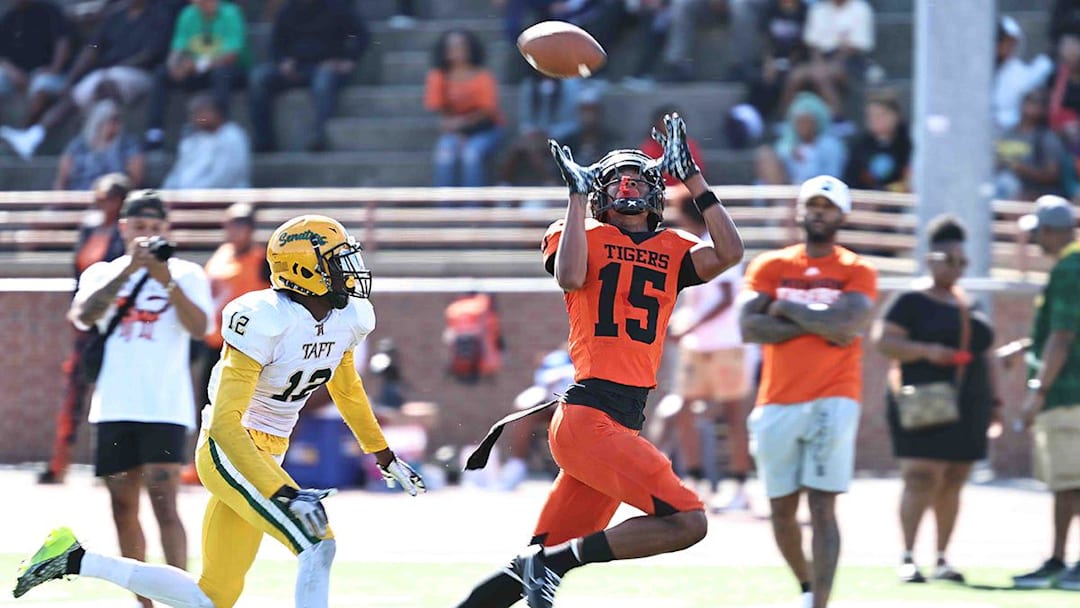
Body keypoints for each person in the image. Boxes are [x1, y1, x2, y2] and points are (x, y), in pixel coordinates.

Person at [14, 214, 427, 608]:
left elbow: (347, 387)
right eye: (335, 263)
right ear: (304, 271)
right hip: (229, 449)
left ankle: (73, 558)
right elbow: (228, 424)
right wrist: (284, 491)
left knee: (211, 597)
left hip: (268, 451)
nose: (348, 271)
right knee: (318, 545)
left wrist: (384, 455)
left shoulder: (347, 318)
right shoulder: (265, 318)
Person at [453, 113, 743, 608]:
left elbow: (731, 252)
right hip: (590, 417)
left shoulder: (674, 249)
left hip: (619, 423)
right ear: (599, 193)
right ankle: (554, 565)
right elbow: (568, 277)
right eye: (616, 181)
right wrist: (574, 198)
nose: (627, 188)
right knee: (688, 521)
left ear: (654, 194)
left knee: (527, 563)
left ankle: (542, 565)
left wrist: (692, 176)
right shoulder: (579, 230)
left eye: (638, 180)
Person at [44, 190, 213, 607]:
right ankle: (143, 601)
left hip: (165, 405)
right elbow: (82, 315)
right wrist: (131, 272)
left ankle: (182, 597)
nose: (148, 235)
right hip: (115, 404)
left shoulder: (187, 273)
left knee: (164, 502)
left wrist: (165, 281)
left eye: (156, 228)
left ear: (166, 230)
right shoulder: (103, 272)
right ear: (124, 228)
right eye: (140, 227)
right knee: (123, 506)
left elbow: (199, 327)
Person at [739, 174, 877, 608]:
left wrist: (784, 307)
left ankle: (820, 602)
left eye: (828, 206)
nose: (819, 213)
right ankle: (804, 586)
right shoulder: (770, 265)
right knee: (781, 510)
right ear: (800, 212)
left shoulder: (857, 270)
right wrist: (818, 320)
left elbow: (846, 326)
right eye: (812, 205)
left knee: (822, 506)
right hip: (776, 398)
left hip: (834, 396)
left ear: (842, 215)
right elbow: (748, 326)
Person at [870, 215, 1002, 584]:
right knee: (921, 476)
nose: (957, 268)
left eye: (963, 262)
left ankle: (942, 558)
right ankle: (909, 557)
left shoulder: (969, 302)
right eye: (950, 260)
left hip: (968, 402)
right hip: (921, 399)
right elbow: (884, 341)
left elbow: (984, 353)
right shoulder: (911, 300)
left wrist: (996, 403)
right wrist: (928, 351)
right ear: (932, 259)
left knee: (956, 476)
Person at [38, 172, 132, 485]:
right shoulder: (90, 228)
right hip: (86, 325)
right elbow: (78, 276)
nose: (102, 203)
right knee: (73, 393)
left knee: (113, 394)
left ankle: (112, 466)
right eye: (100, 197)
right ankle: (59, 463)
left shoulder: (126, 236)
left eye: (108, 197)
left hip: (114, 325)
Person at [664, 196, 753, 512]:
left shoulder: (715, 244)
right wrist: (683, 325)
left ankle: (739, 486)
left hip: (725, 343)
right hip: (697, 346)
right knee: (684, 409)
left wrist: (691, 326)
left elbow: (727, 296)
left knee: (732, 415)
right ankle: (696, 481)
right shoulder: (690, 246)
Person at [0, 0, 172, 160]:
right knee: (75, 93)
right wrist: (71, 78)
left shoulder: (158, 15)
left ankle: (109, 147)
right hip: (106, 73)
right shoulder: (115, 16)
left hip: (140, 73)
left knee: (105, 85)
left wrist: (114, 67)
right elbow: (93, 47)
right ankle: (33, 136)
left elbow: (152, 52)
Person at [1012, 195, 1080, 591]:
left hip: (1069, 393)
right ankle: (1057, 560)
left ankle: (1067, 561)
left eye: (1037, 231)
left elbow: (1063, 336)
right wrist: (1024, 348)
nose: (1035, 239)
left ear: (1052, 231)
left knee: (1072, 480)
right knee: (1065, 482)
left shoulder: (1070, 269)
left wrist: (1037, 392)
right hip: (1067, 390)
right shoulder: (1069, 267)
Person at [185, 202, 270, 485]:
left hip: (246, 345)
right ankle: (203, 462)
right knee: (207, 403)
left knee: (241, 407)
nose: (232, 231)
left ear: (250, 229)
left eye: (239, 225)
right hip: (214, 342)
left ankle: (243, 465)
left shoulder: (261, 260)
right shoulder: (221, 255)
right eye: (229, 224)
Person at [248, 0, 369, 153]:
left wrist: (349, 60)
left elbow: (362, 35)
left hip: (325, 67)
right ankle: (264, 141)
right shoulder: (287, 11)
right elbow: (275, 45)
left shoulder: (337, 7)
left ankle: (319, 135)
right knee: (259, 78)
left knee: (323, 82)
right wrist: (283, 62)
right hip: (294, 68)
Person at [143, 0, 249, 151]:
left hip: (231, 70)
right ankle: (155, 132)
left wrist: (199, 65)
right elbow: (177, 49)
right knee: (162, 74)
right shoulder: (188, 14)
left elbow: (231, 55)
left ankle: (220, 127)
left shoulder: (231, 13)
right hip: (196, 71)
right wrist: (174, 66)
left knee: (221, 74)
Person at [425, 28, 504, 188]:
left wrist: (462, 129)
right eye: (452, 47)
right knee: (445, 154)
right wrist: (457, 132)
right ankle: (444, 207)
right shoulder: (438, 76)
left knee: (471, 155)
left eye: (461, 46)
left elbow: (487, 112)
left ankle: (472, 207)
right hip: (453, 131)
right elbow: (441, 113)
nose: (456, 51)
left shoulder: (483, 77)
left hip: (485, 129)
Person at [0, 0, 74, 128]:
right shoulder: (9, 17)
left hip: (48, 72)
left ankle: (24, 132)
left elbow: (63, 43)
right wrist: (12, 72)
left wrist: (54, 69)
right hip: (19, 73)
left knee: (41, 85)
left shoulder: (50, 11)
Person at [162, 94, 252, 190]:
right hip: (186, 198)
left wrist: (192, 195)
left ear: (217, 113)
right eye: (194, 113)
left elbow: (224, 177)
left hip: (222, 198)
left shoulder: (232, 136)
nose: (197, 118)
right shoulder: (192, 138)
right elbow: (178, 172)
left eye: (201, 113)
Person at [54, 98, 144, 190]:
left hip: (113, 198)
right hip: (79, 198)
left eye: (118, 119)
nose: (117, 124)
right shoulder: (77, 146)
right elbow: (62, 179)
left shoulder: (128, 145)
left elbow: (135, 179)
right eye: (113, 120)